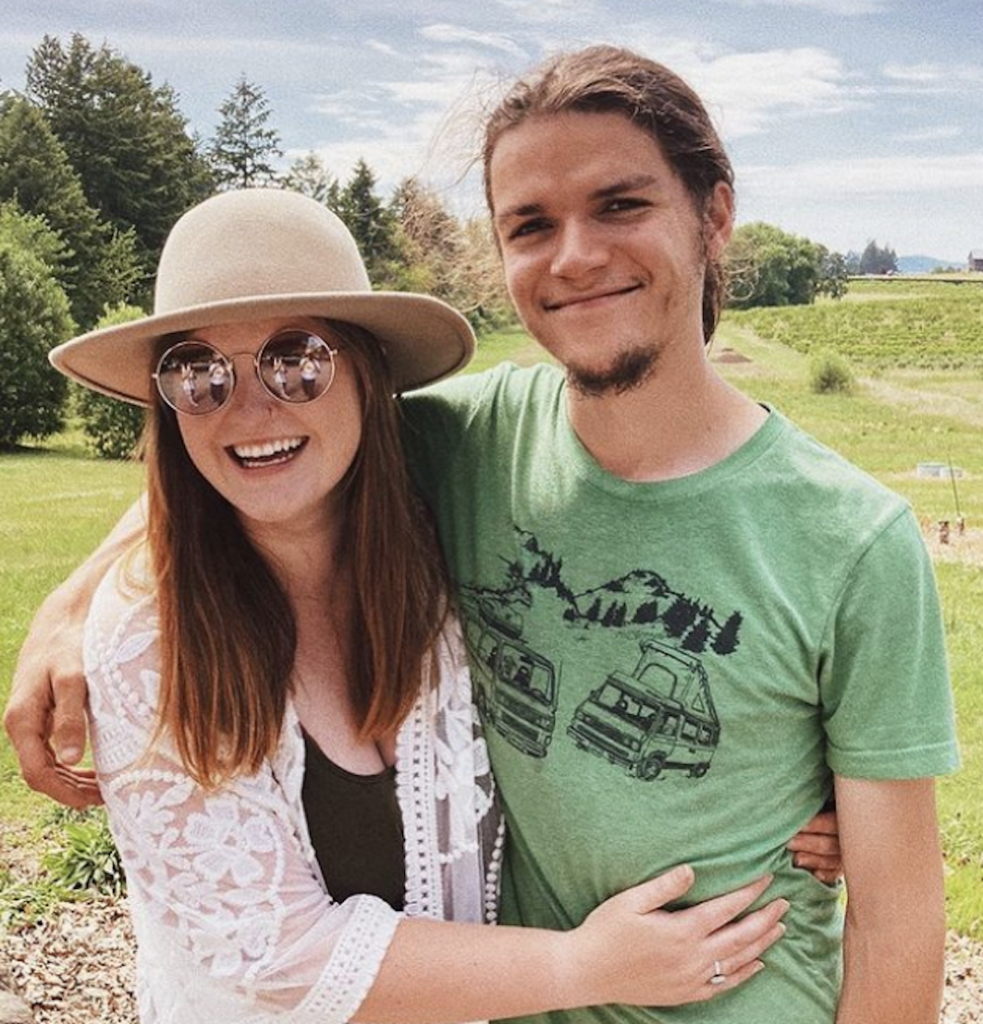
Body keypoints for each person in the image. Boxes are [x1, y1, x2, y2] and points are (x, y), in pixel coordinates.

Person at [12, 187, 799, 1023]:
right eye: (197, 373)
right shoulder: (149, 643)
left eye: (297, 359)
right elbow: (278, 958)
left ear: (367, 373)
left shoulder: (455, 527)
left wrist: (771, 784)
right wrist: (584, 968)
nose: (249, 407)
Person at [393, 45, 959, 1024]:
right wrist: (77, 606)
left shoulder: (852, 539)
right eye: (529, 225)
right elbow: (268, 449)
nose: (572, 255)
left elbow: (898, 921)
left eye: (619, 204)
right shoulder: (468, 443)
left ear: (714, 213)